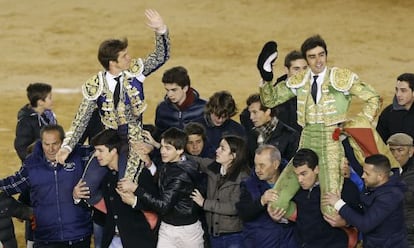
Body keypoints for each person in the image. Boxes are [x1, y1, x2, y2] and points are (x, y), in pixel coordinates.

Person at [257, 35, 397, 217]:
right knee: (276, 205)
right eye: (312, 56)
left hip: (331, 147)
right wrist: (267, 77)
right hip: (306, 144)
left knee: (330, 210)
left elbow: (374, 98)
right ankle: (310, 226)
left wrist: (355, 124)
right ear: (307, 60)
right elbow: (270, 99)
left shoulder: (340, 78)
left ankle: (352, 237)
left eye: (321, 55)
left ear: (326, 55)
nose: (318, 60)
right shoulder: (300, 80)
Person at [56, 9, 170, 185]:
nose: (129, 58)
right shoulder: (95, 85)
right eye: (124, 56)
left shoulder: (135, 72)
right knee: (87, 190)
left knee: (128, 186)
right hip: (108, 141)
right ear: (112, 63)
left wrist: (160, 30)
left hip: (134, 140)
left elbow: (160, 56)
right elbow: (81, 120)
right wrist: (66, 147)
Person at [0, 124, 93, 247]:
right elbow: (14, 184)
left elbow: (104, 151)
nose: (51, 149)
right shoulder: (32, 164)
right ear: (41, 143)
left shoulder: (79, 155)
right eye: (46, 144)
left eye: (55, 144)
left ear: (63, 142)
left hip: (78, 235)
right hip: (46, 238)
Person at [119, 127, 205, 247]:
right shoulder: (172, 163)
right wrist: (149, 164)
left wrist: (136, 190)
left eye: (167, 148)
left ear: (180, 150)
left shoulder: (180, 175)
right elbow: (163, 182)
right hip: (169, 227)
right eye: (162, 146)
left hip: (187, 232)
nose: (162, 151)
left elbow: (163, 205)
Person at [73, 129, 158, 248]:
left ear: (113, 151)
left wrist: (134, 201)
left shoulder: (139, 174)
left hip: (138, 241)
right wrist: (77, 197)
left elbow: (156, 204)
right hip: (112, 240)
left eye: (100, 150)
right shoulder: (106, 177)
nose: (96, 154)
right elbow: (98, 209)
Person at [269, 148, 361, 248]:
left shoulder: (343, 186)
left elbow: (361, 217)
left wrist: (345, 222)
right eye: (297, 175)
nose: (300, 179)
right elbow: (297, 220)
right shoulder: (296, 191)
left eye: (304, 174)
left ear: (317, 169)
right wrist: (279, 218)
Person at [324, 154, 408, 248]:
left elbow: (365, 224)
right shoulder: (373, 186)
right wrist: (347, 222)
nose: (363, 176)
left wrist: (338, 204)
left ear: (380, 176)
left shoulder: (391, 196)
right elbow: (364, 212)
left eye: (367, 173)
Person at [190, 135, 250, 248]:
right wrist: (159, 146)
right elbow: (195, 160)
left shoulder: (243, 177)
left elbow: (234, 207)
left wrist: (204, 203)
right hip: (214, 234)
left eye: (222, 148)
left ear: (233, 155)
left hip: (234, 236)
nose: (217, 150)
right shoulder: (214, 167)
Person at [236, 145, 296, 248]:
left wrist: (285, 218)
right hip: (259, 243)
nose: (257, 170)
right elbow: (243, 213)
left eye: (262, 165)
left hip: (288, 242)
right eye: (255, 165)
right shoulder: (248, 185)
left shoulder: (293, 181)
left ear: (276, 164)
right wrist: (261, 201)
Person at [239, 50, 307, 133]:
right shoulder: (274, 94)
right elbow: (246, 116)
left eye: (305, 68)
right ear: (286, 70)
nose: (301, 73)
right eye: (296, 69)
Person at [154, 66, 206, 141]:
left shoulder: (203, 108)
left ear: (185, 88)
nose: (169, 95)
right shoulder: (162, 109)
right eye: (167, 90)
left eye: (174, 90)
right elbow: (158, 136)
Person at [245, 93, 299, 163]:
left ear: (268, 111)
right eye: (250, 113)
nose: (251, 117)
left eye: (255, 112)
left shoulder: (290, 135)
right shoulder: (251, 134)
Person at [14, 82, 56, 162]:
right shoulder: (26, 122)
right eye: (49, 98)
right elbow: (21, 147)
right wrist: (33, 163)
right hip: (38, 165)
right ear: (40, 102)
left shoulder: (48, 116)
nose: (52, 100)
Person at [197, 91, 246, 158]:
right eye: (217, 115)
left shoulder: (238, 130)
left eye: (224, 117)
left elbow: (242, 155)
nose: (220, 120)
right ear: (210, 109)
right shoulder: (196, 127)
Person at [387, 133, 414, 246]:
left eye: (400, 150)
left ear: (411, 151)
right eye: (391, 150)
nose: (395, 155)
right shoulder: (389, 173)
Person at [377, 73, 414, 142]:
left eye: (403, 90)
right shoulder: (388, 113)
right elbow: (380, 142)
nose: (398, 94)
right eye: (397, 90)